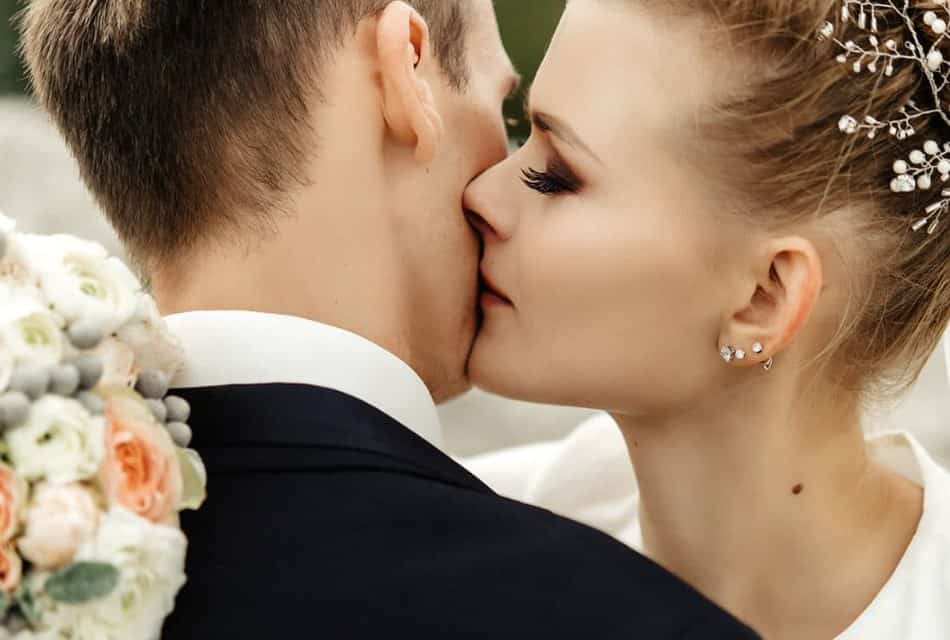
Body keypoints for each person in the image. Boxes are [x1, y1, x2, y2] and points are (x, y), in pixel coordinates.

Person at [19, 1, 759, 638]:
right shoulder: (622, 620)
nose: (503, 185)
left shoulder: (30, 546)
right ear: (406, 68)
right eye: (506, 111)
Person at [462, 1, 950, 639]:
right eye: (521, 133)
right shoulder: (476, 536)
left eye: (554, 176)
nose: (480, 195)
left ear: (763, 299)